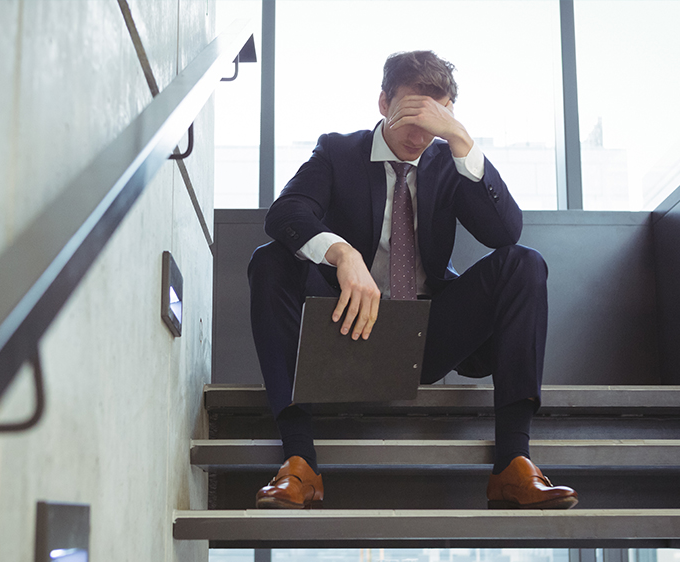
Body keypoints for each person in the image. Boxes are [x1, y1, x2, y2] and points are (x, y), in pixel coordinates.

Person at [247, 50, 577, 510]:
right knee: (269, 261)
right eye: (409, 115)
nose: (420, 134)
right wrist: (341, 253)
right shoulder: (339, 151)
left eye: (434, 119)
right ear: (383, 102)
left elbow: (505, 233)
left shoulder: (449, 161)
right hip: (345, 325)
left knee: (524, 262)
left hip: (428, 334)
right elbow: (286, 213)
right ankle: (299, 463)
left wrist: (460, 138)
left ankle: (513, 465)